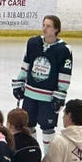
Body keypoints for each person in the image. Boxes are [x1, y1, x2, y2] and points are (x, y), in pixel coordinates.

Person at [11, 15, 73, 152]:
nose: (44, 28)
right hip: (30, 95)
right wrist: (20, 81)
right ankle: (33, 154)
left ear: (56, 29)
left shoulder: (64, 50)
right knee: (28, 126)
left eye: (48, 26)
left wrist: (60, 93)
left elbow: (65, 74)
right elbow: (26, 64)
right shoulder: (33, 43)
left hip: (48, 97)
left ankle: (48, 159)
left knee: (48, 128)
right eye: (43, 25)